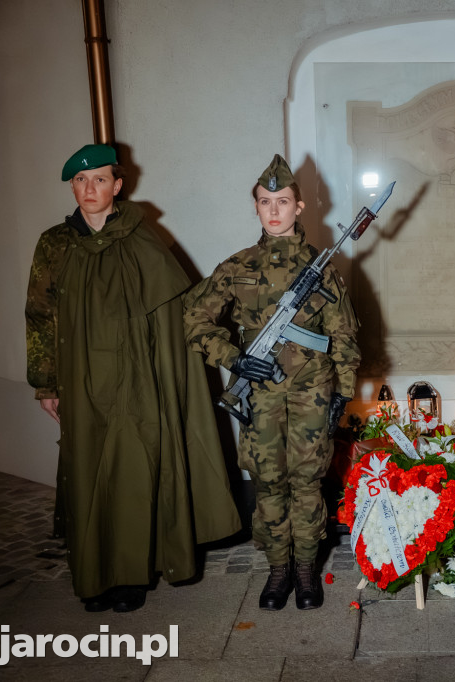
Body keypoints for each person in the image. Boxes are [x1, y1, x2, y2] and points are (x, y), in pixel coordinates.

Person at [25, 144, 242, 612]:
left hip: (139, 376)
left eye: (100, 179)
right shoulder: (54, 245)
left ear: (118, 185)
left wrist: (174, 377)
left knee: (137, 470)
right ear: (72, 187)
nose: (90, 188)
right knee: (90, 473)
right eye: (81, 181)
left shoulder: (143, 238)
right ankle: (95, 577)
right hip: (82, 379)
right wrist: (46, 383)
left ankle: (132, 576)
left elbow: (172, 314)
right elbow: (40, 317)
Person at [184, 154, 360, 611]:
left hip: (312, 391)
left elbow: (343, 335)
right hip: (259, 394)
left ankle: (306, 570)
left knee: (308, 482)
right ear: (256, 207)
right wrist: (235, 359)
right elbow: (194, 319)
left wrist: (342, 391)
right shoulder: (236, 266)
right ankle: (278, 570)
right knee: (268, 483)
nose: (274, 210)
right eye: (265, 202)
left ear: (299, 207)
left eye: (283, 201)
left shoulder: (322, 269)